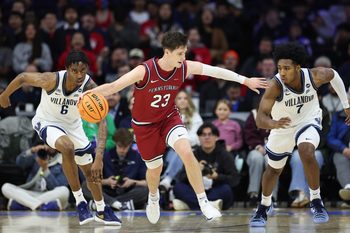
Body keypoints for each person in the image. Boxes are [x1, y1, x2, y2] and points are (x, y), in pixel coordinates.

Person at [90, 31, 267, 224]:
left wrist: (245, 80)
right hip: (145, 127)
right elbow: (112, 87)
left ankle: (203, 202)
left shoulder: (183, 67)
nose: (184, 58)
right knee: (154, 170)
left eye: (185, 53)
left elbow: (214, 70)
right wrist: (86, 95)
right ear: (167, 52)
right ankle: (153, 196)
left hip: (169, 118)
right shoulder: (144, 70)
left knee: (186, 151)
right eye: (180, 53)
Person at [0, 51, 121, 226]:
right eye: (74, 70)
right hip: (47, 122)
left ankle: (102, 210)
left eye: (83, 70)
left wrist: (99, 157)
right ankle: (80, 202)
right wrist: (4, 95)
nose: (79, 75)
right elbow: (23, 77)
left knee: (89, 171)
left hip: (73, 126)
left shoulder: (90, 87)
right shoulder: (51, 80)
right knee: (67, 147)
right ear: (66, 69)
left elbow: (102, 121)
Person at [249, 42, 350, 227]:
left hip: (308, 120)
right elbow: (260, 119)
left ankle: (316, 201)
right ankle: (264, 205)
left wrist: (346, 105)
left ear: (298, 67)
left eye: (287, 68)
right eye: (279, 68)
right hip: (282, 127)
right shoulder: (275, 85)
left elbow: (334, 75)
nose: (282, 72)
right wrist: (273, 123)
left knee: (306, 150)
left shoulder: (314, 76)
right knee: (273, 170)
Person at [173, 122, 239, 211]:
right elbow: (181, 177)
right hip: (196, 191)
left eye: (210, 134)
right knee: (178, 187)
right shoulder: (193, 154)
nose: (207, 137)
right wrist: (195, 170)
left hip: (215, 189)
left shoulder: (225, 155)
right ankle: (211, 205)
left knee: (226, 190)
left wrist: (217, 176)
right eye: (203, 135)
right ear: (199, 138)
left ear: (216, 137)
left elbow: (235, 179)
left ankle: (191, 205)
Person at [82, 128, 148, 210]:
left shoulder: (138, 157)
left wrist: (132, 182)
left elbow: (147, 182)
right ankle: (120, 205)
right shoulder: (105, 156)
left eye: (125, 147)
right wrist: (107, 182)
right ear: (115, 143)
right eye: (119, 146)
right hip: (107, 191)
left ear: (130, 144)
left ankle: (107, 204)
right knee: (86, 185)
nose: (122, 150)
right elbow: (93, 180)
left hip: (128, 192)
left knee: (146, 190)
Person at [1, 144, 70, 211]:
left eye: (53, 144)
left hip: (49, 194)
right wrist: (32, 150)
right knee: (5, 187)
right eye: (48, 143)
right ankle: (42, 205)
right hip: (29, 193)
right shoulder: (38, 155)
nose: (50, 146)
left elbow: (57, 187)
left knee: (64, 190)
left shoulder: (64, 162)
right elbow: (19, 162)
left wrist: (45, 169)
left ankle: (25, 205)